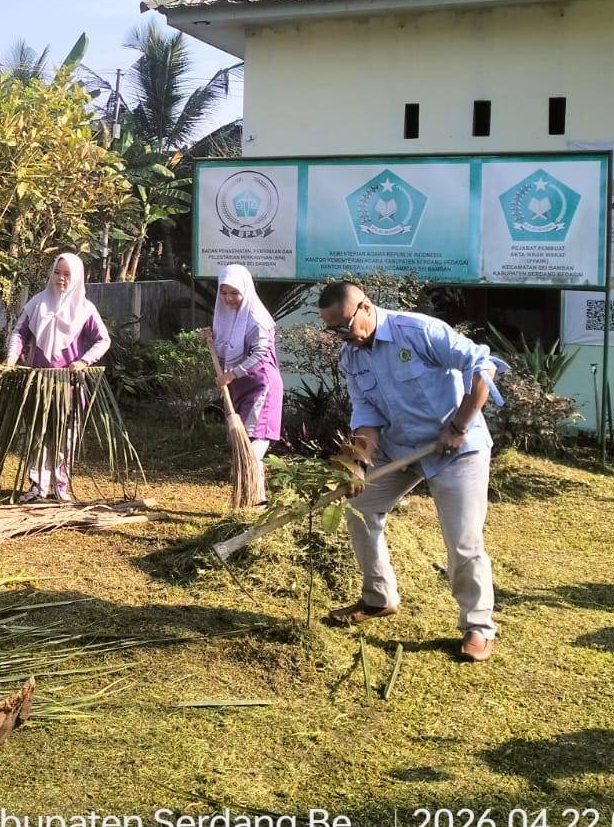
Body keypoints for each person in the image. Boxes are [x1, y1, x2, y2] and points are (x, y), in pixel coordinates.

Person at [317, 282, 503, 663]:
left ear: (365, 307)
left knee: (463, 542)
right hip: (401, 448)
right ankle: (378, 597)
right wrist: (358, 460)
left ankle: (478, 627)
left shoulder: (417, 331)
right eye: (331, 330)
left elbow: (483, 368)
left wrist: (460, 423)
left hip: (457, 450)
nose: (341, 337)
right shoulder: (351, 357)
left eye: (343, 327)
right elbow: (366, 414)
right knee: (360, 507)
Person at [2, 252, 111, 504]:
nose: (61, 279)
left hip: (68, 386)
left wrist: (84, 361)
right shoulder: (37, 304)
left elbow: (103, 340)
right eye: (57, 273)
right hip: (38, 382)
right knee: (37, 434)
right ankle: (37, 486)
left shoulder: (85, 310)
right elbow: (19, 333)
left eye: (67, 274)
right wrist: (11, 358)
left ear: (76, 278)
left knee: (65, 435)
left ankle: (61, 485)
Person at [202, 264, 283, 503]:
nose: (228, 299)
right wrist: (209, 338)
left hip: (261, 385)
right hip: (238, 385)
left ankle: (255, 500)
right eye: (224, 292)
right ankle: (255, 497)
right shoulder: (226, 317)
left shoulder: (257, 318)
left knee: (253, 440)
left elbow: (260, 353)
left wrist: (232, 374)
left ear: (246, 291)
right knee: (242, 440)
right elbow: (226, 347)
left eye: (234, 293)